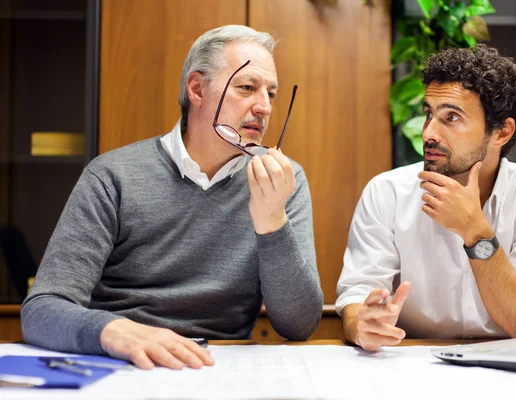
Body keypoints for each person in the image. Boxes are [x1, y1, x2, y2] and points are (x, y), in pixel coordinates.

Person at [21, 25, 323, 369]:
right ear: (197, 89)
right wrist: (114, 331)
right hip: (122, 360)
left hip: (220, 367)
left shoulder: (284, 181)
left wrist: (272, 223)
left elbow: (299, 326)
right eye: (247, 87)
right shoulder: (112, 175)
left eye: (271, 93)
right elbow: (42, 308)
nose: (265, 107)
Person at [336, 44, 516, 351]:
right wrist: (361, 326)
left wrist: (475, 232)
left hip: (509, 371)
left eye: (451, 117)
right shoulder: (387, 192)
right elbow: (359, 292)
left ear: (501, 132)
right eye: (428, 114)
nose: (428, 134)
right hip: (412, 364)